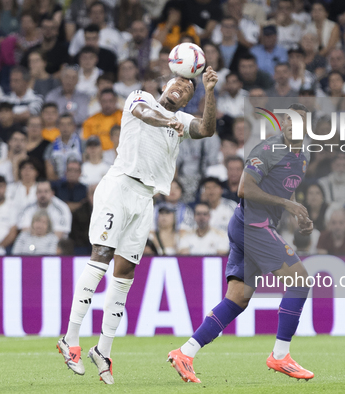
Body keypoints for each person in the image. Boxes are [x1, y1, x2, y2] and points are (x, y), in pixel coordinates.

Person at [56, 67, 219, 384]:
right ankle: (70, 339)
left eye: (189, 88)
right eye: (179, 82)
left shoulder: (182, 120)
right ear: (167, 83)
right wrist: (166, 120)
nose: (182, 88)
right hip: (119, 187)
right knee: (101, 256)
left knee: (126, 271)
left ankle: (103, 350)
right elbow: (144, 114)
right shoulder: (140, 97)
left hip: (146, 199)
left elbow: (207, 128)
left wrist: (209, 91)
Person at [168, 103, 315, 383]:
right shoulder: (268, 150)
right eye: (289, 120)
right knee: (299, 281)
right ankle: (281, 355)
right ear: (283, 122)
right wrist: (287, 204)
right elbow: (244, 188)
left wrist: (297, 213)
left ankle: (185, 352)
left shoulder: (303, 155)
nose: (293, 126)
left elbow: (285, 188)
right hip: (252, 226)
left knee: (238, 298)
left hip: (252, 226)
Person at [44, 114, 83, 181]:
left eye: (68, 124)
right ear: (58, 126)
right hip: (58, 184)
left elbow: (85, 166)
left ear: (74, 126)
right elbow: (49, 172)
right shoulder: (50, 147)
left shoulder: (82, 144)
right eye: (62, 124)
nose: (65, 127)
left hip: (79, 182)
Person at [69, 183, 95, 255]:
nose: (96, 196)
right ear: (88, 196)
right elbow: (76, 236)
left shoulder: (111, 212)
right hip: (84, 246)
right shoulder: (79, 213)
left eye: (98, 193)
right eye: (93, 193)